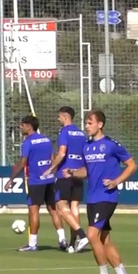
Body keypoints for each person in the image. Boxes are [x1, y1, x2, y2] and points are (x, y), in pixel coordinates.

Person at [63, 109, 137, 274]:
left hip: (107, 196)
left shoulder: (111, 145)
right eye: (86, 123)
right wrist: (73, 173)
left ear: (100, 125)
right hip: (93, 198)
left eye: (90, 123)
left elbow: (132, 165)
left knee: (92, 236)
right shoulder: (86, 146)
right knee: (104, 240)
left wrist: (117, 181)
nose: (87, 126)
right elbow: (86, 172)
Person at [9, 115, 67, 252]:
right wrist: (53, 173)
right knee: (53, 210)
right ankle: (62, 239)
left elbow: (23, 163)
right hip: (49, 180)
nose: (20, 127)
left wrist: (11, 179)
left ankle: (32, 243)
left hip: (36, 180)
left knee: (33, 211)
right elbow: (53, 158)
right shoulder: (46, 139)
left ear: (29, 126)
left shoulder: (28, 142)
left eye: (22, 125)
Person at [41, 106, 90, 253]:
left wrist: (51, 168)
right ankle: (72, 244)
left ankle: (82, 235)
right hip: (78, 173)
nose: (58, 119)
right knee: (74, 207)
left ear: (65, 117)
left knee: (61, 207)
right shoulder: (81, 133)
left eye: (59, 117)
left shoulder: (64, 132)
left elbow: (62, 153)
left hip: (65, 173)